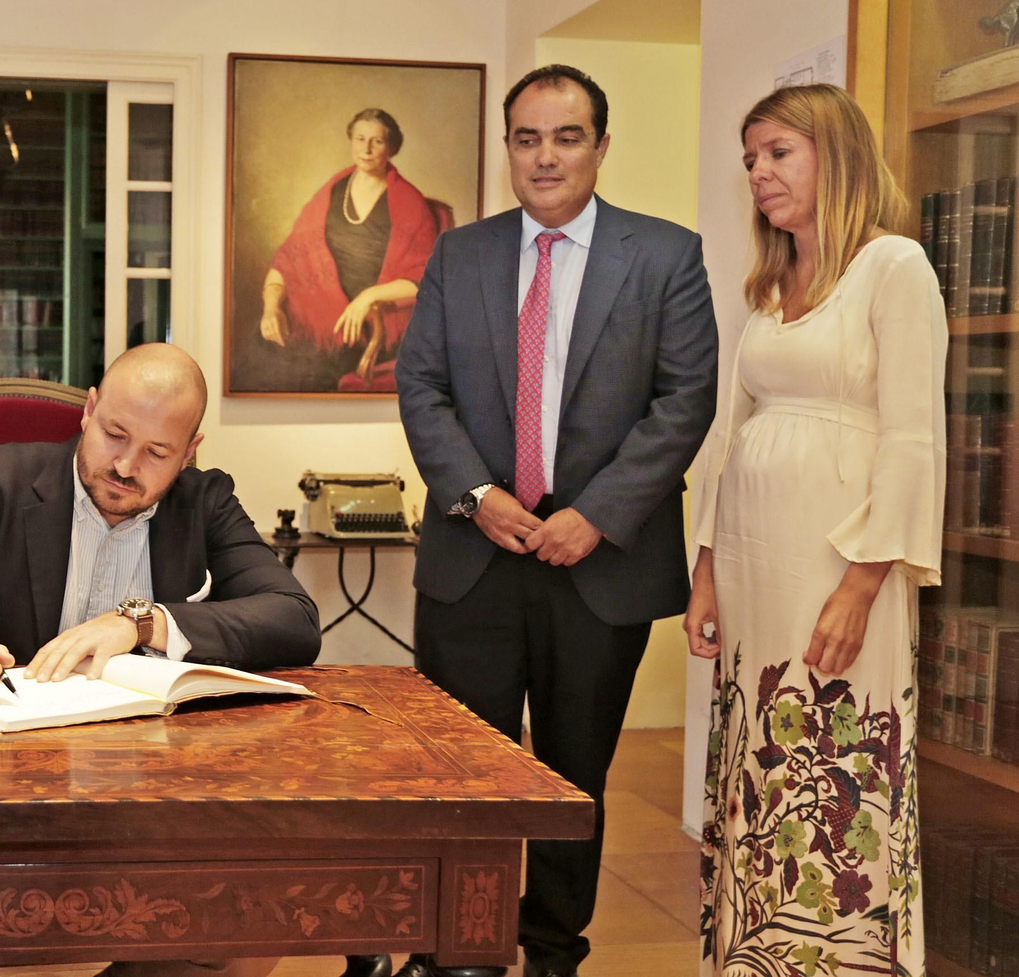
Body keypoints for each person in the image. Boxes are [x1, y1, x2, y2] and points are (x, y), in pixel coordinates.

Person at [0, 342, 320, 977]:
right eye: (114, 435)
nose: (125, 466)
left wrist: (142, 621)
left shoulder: (204, 502)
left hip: (156, 795)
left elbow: (294, 616)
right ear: (89, 410)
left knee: (251, 916)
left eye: (157, 453)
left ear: (190, 451)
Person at [394, 64, 719, 977]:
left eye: (567, 137)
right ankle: (455, 947)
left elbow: (684, 402)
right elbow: (421, 387)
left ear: (601, 146)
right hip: (474, 558)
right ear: (507, 148)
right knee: (459, 773)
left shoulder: (665, 256)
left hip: (598, 566)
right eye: (527, 138)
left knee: (575, 774)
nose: (545, 156)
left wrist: (598, 516)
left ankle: (550, 948)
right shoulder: (459, 254)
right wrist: (475, 495)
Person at [686, 84, 944, 976]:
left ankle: (838, 957)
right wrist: (706, 570)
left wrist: (861, 585)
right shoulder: (768, 286)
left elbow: (913, 438)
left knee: (835, 766)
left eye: (778, 153)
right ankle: (756, 953)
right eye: (750, 158)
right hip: (752, 569)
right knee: (759, 757)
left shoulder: (895, 266)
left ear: (837, 155)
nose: (759, 172)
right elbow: (728, 436)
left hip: (839, 566)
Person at [250, 108, 440, 392]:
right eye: (360, 139)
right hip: (316, 315)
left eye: (377, 141)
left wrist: (367, 297)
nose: (366, 149)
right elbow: (288, 258)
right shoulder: (332, 191)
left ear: (391, 148)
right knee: (258, 362)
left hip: (369, 324)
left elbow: (425, 278)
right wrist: (271, 307)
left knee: (313, 377)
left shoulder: (409, 202)